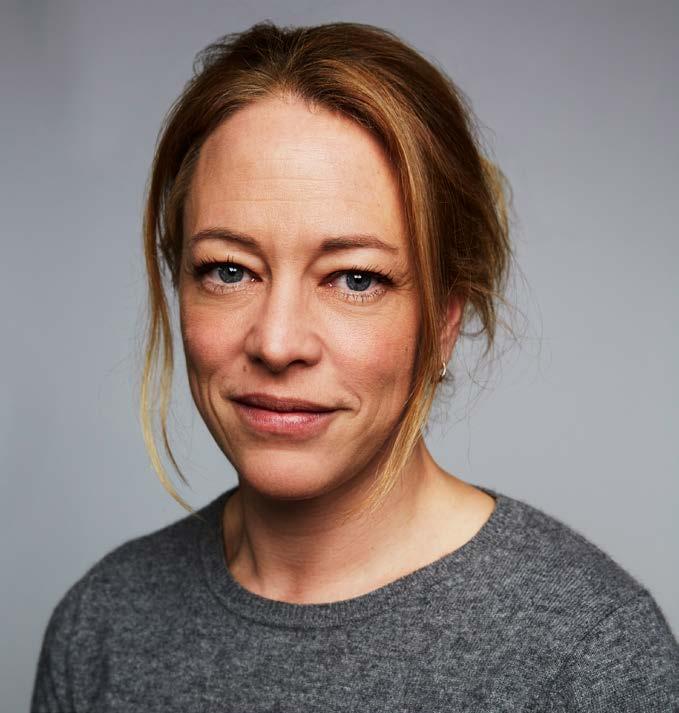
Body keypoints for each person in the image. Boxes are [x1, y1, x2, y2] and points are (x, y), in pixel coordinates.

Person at [31, 20, 678, 712]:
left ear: (444, 319)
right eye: (229, 270)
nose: (277, 342)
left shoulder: (588, 656)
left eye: (355, 279)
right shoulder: (100, 629)